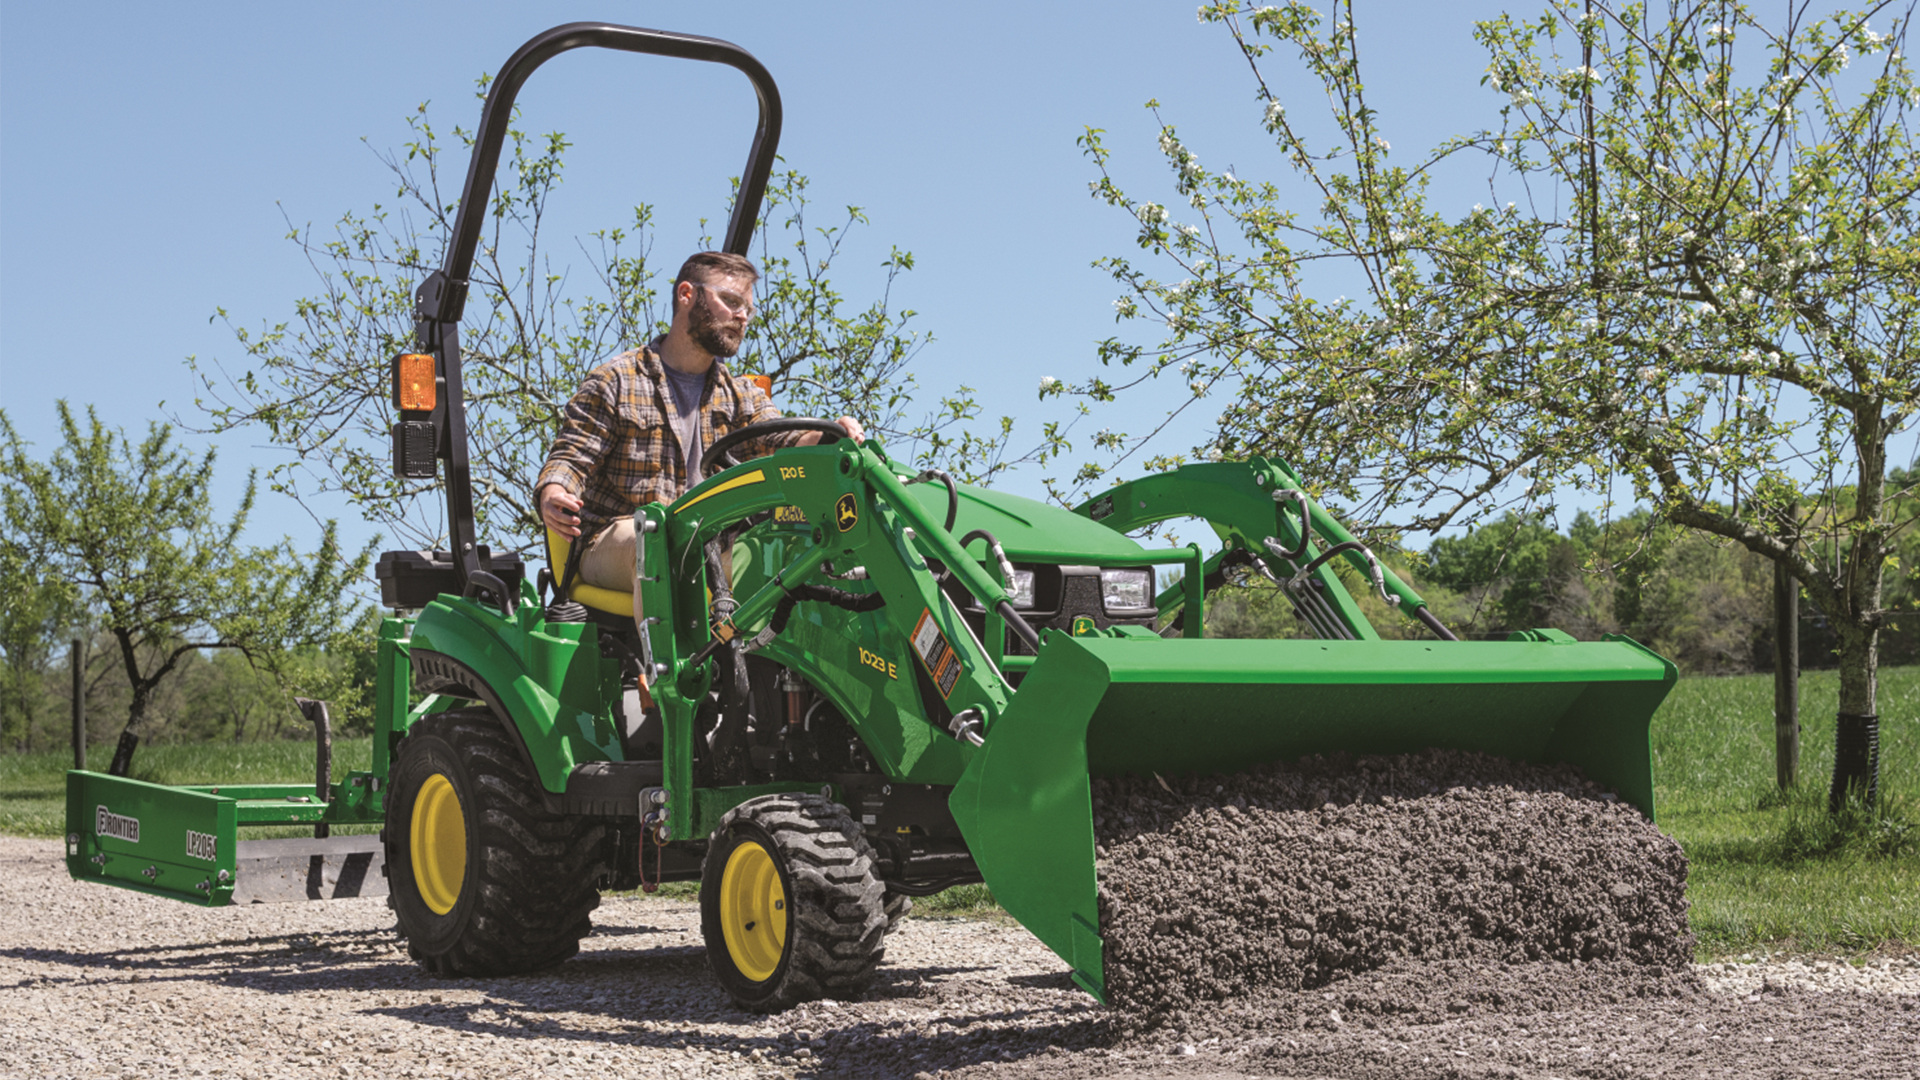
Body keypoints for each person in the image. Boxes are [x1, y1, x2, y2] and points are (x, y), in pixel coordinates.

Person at [535, 251, 863, 626]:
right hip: (616, 538)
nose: (742, 316)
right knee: (657, 540)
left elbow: (782, 437)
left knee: (794, 548)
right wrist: (554, 492)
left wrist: (828, 434)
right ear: (687, 294)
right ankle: (664, 684)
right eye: (731, 301)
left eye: (748, 310)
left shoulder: (740, 395)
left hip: (707, 541)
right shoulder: (617, 380)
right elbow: (571, 458)